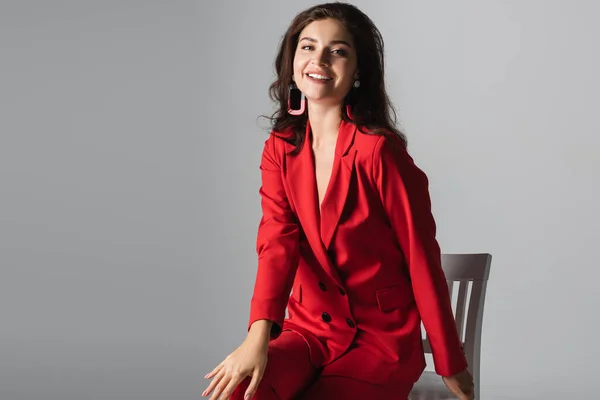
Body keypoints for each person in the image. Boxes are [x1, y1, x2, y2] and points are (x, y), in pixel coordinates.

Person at [202, 3, 475, 399]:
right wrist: (257, 337)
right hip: (310, 332)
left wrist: (451, 363)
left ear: (359, 70)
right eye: (308, 47)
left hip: (379, 341)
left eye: (338, 51)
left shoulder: (380, 152)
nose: (319, 60)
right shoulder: (279, 149)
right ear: (292, 62)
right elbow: (276, 246)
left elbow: (421, 258)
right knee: (237, 392)